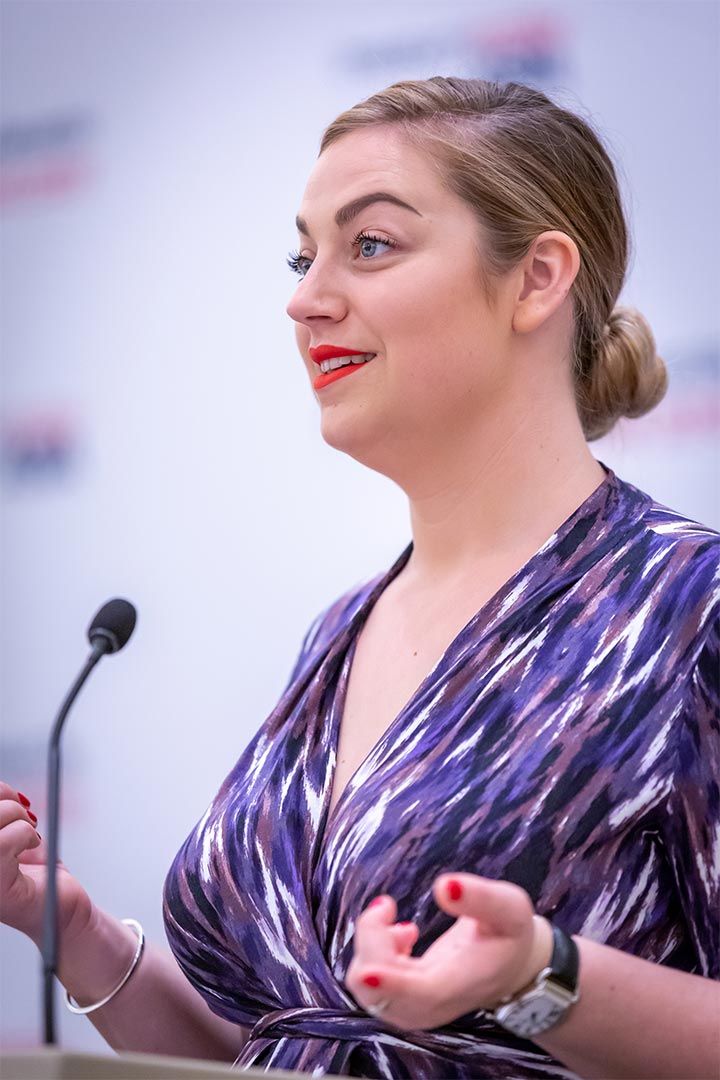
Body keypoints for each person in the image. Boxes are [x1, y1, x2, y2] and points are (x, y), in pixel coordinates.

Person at [1, 76, 718, 1079]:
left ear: (537, 278)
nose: (305, 300)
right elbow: (301, 1045)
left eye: (371, 245)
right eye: (303, 258)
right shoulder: (340, 632)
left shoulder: (687, 608)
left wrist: (540, 977)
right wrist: (72, 928)